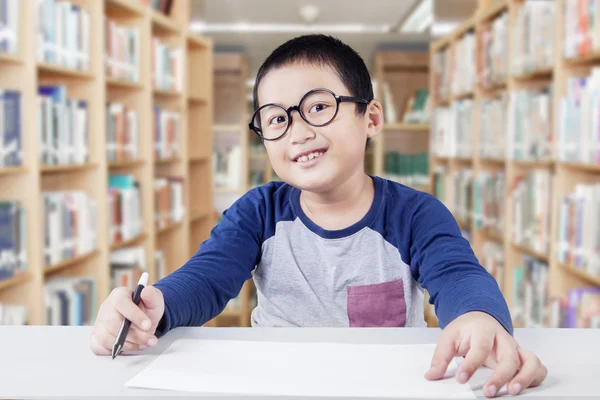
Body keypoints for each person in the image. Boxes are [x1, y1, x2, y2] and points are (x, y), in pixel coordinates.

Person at [90, 34, 547, 397]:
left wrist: (478, 317)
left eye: (319, 107)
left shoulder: (417, 213)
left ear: (370, 118)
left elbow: (458, 274)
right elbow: (208, 277)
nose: (299, 132)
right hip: (275, 385)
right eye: (276, 119)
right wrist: (158, 306)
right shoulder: (257, 211)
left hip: (383, 387)